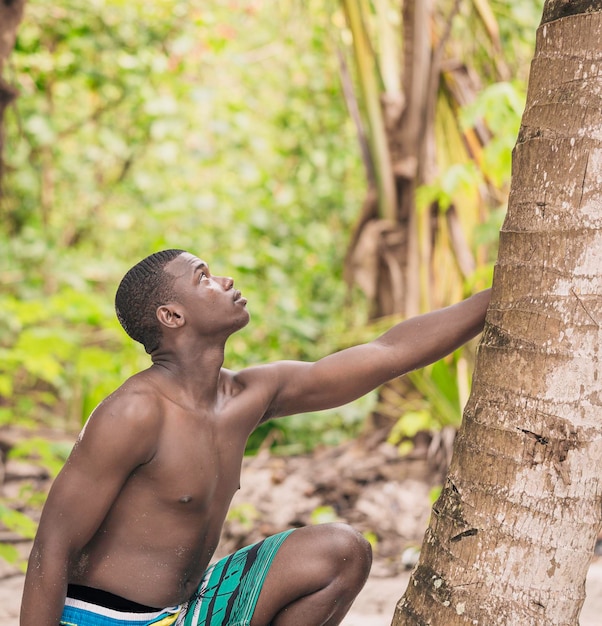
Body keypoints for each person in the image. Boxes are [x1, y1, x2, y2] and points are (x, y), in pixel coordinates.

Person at [20, 249, 491, 626]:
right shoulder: (134, 411)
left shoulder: (249, 394)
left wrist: (501, 294)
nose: (224, 281)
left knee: (340, 551)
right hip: (107, 619)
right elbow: (52, 546)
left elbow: (388, 352)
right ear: (172, 316)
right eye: (203, 277)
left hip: (187, 612)